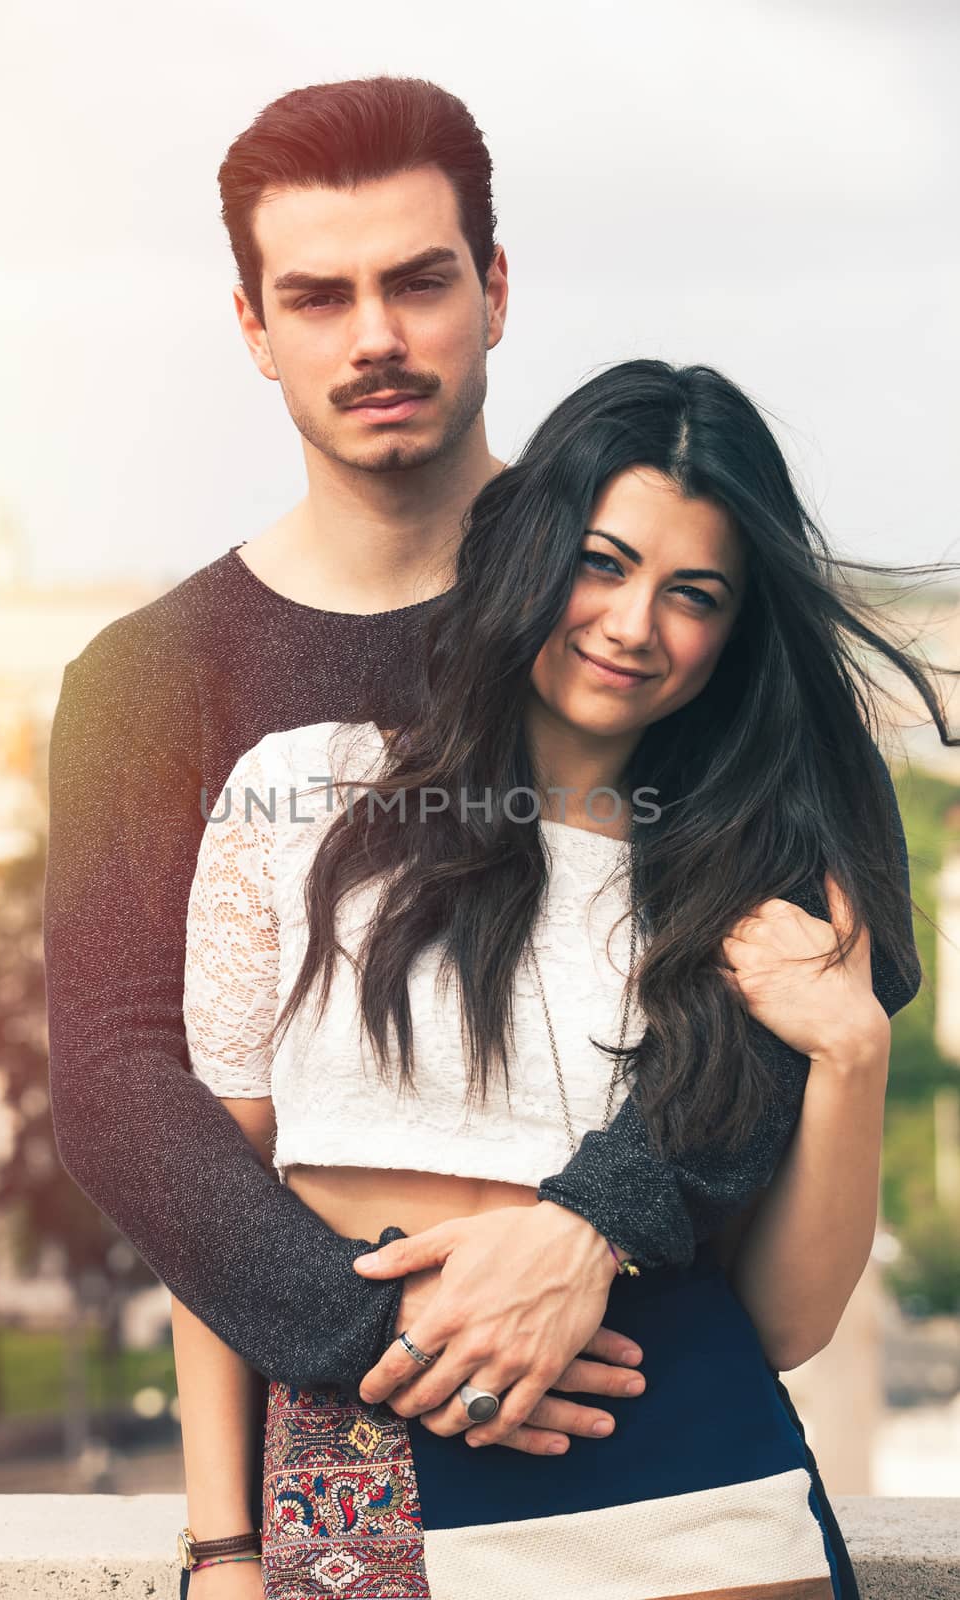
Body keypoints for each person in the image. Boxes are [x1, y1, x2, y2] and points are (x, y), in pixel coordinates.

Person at [39, 77, 936, 1597]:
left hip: (676, 1415)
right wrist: (365, 1370)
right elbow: (133, 1092)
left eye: (418, 279)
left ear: (495, 289)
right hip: (367, 1431)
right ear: (252, 328)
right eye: (317, 296)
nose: (372, 334)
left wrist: (594, 1221)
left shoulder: (645, 587)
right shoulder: (151, 681)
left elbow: (820, 975)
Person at [175, 357, 946, 1596]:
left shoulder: (748, 890)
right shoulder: (304, 794)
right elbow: (209, 1204)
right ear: (530, 547)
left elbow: (786, 1323)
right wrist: (220, 1545)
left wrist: (851, 1052)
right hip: (367, 1461)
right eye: (602, 560)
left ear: (733, 633)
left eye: (693, 593)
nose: (634, 624)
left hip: (698, 1482)